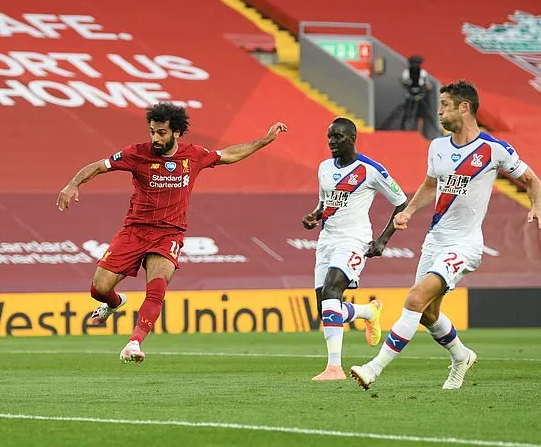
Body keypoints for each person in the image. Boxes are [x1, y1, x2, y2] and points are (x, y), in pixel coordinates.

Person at [350, 80, 541, 391]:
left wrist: (537, 206)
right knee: (428, 313)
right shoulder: (438, 147)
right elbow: (430, 186)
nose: (439, 111)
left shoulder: (493, 149)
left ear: (464, 107)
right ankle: (461, 356)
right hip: (435, 240)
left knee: (414, 299)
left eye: (445, 105)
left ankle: (373, 369)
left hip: (465, 244)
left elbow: (531, 179)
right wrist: (407, 212)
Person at [56, 102, 287, 363]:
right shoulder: (136, 153)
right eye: (152, 132)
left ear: (176, 132)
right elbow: (99, 165)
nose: (155, 138)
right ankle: (114, 303)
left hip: (169, 234)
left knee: (156, 289)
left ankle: (134, 343)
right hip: (135, 230)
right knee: (98, 289)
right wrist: (72, 184)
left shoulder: (194, 155)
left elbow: (229, 154)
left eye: (161, 133)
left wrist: (265, 141)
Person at [302, 117, 408, 381]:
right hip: (326, 240)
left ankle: (334, 368)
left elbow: (401, 201)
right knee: (326, 308)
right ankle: (367, 312)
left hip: (354, 239)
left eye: (337, 137)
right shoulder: (325, 167)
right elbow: (324, 202)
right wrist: (314, 215)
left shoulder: (371, 170)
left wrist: (383, 239)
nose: (331, 142)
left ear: (351, 138)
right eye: (329, 137)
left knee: (331, 291)